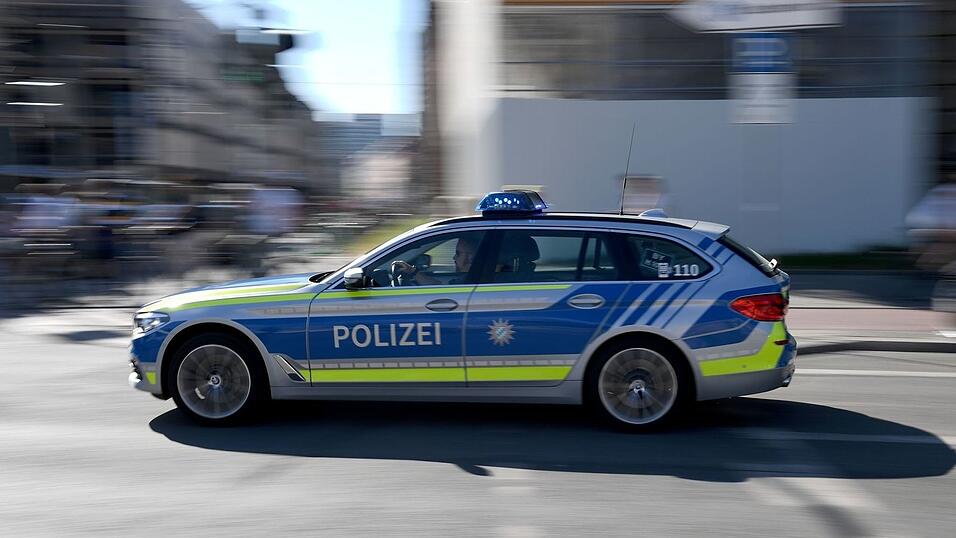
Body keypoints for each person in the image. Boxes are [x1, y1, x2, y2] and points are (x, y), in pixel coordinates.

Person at [393, 236, 478, 285]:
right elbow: (441, 287)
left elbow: (444, 291)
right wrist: (412, 271)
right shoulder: (468, 278)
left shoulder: (471, 281)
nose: (454, 258)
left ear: (471, 258)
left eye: (458, 253)